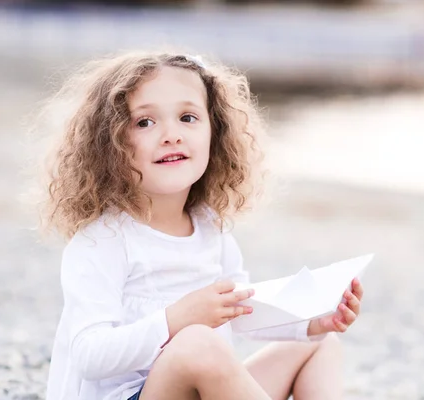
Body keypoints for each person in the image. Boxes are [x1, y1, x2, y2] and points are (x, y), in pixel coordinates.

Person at [38, 51, 365, 400]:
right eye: (145, 122)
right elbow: (90, 355)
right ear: (110, 143)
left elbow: (242, 313)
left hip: (195, 388)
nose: (171, 135)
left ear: (216, 132)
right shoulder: (103, 241)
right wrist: (175, 319)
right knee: (197, 342)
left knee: (319, 345)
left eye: (188, 117)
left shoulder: (210, 229)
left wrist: (312, 323)